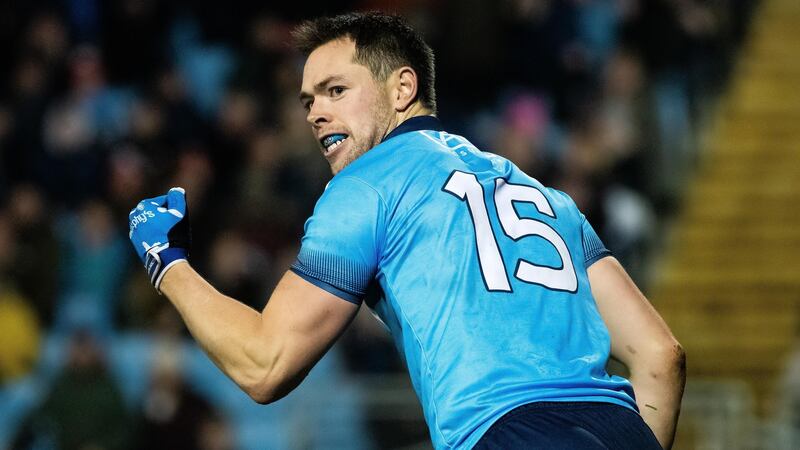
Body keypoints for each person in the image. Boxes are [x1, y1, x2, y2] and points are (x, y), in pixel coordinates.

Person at [127, 12, 685, 450]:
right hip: (621, 430)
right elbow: (660, 356)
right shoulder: (548, 198)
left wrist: (167, 261)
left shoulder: (369, 185)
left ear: (402, 89)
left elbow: (265, 364)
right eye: (308, 100)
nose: (315, 112)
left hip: (504, 434)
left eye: (335, 90)